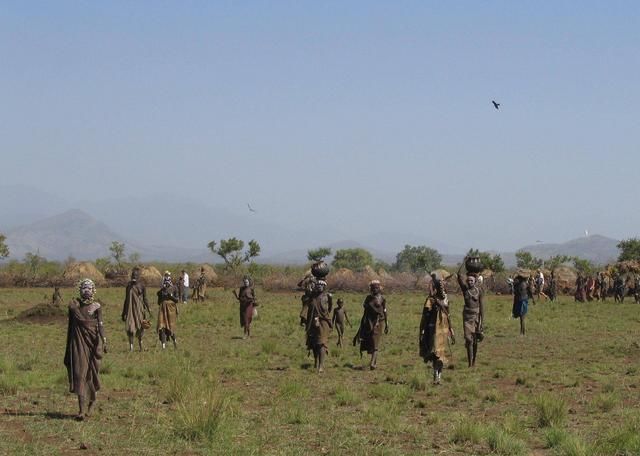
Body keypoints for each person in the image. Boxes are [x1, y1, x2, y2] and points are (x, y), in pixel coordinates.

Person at [64, 278, 107, 421]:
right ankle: (81, 411)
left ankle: (90, 406)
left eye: (89, 288)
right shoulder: (74, 305)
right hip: (78, 344)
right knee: (79, 373)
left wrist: (104, 340)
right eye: (84, 288)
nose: (86, 290)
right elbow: (70, 327)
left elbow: (100, 325)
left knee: (92, 375)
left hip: (93, 345)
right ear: (79, 290)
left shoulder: (96, 306)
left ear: (93, 290)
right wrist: (68, 346)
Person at [419, 272, 453, 385]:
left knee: (441, 354)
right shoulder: (431, 300)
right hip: (433, 329)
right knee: (435, 353)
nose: (443, 291)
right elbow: (425, 316)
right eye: (440, 288)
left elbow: (448, 315)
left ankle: (439, 375)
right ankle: (436, 374)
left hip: (444, 329)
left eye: (444, 289)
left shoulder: (446, 300)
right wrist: (423, 329)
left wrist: (451, 329)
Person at [354, 280, 388, 370]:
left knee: (375, 341)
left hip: (379, 322)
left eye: (377, 288)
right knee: (370, 340)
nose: (375, 289)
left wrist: (387, 324)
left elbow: (384, 311)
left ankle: (372, 363)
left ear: (379, 288)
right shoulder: (368, 298)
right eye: (373, 288)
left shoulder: (382, 299)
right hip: (368, 322)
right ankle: (374, 362)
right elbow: (365, 311)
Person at [457, 262, 484, 368]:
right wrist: (464, 262)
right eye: (468, 280)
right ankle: (469, 362)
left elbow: (482, 308)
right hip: (467, 317)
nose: (469, 282)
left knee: (475, 340)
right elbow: (459, 275)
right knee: (468, 339)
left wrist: (482, 322)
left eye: (471, 280)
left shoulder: (479, 291)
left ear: (475, 281)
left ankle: (473, 362)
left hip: (477, 317)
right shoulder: (465, 290)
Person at [306, 279, 333, 373]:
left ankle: (321, 366)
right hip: (313, 322)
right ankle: (316, 360)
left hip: (324, 322)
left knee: (322, 343)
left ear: (324, 287)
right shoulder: (312, 297)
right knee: (314, 343)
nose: (319, 287)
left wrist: (325, 315)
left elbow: (330, 308)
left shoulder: (327, 297)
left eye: (321, 286)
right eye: (317, 286)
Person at [121, 267, 150, 352]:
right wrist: (123, 312)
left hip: (139, 310)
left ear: (139, 276)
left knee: (141, 328)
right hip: (130, 310)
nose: (134, 276)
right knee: (130, 329)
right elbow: (126, 299)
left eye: (136, 275)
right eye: (133, 275)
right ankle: (131, 348)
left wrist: (148, 310)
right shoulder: (128, 286)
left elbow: (145, 299)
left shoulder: (142, 285)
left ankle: (141, 346)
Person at [157, 274, 179, 349]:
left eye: (168, 281)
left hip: (171, 311)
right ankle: (163, 346)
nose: (167, 283)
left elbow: (177, 300)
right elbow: (158, 302)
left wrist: (170, 296)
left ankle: (175, 342)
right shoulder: (161, 290)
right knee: (162, 327)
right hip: (162, 310)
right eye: (165, 282)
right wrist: (161, 295)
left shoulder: (175, 288)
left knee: (170, 327)